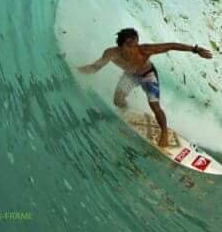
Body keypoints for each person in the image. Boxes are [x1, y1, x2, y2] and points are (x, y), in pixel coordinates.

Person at [78, 28, 212, 147]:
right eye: (129, 45)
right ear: (120, 45)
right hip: (130, 76)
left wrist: (195, 49)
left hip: (148, 76)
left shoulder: (144, 50)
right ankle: (127, 111)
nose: (133, 48)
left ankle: (164, 132)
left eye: (135, 43)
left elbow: (171, 45)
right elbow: (95, 67)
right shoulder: (111, 53)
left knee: (154, 106)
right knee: (118, 101)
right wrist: (76, 70)